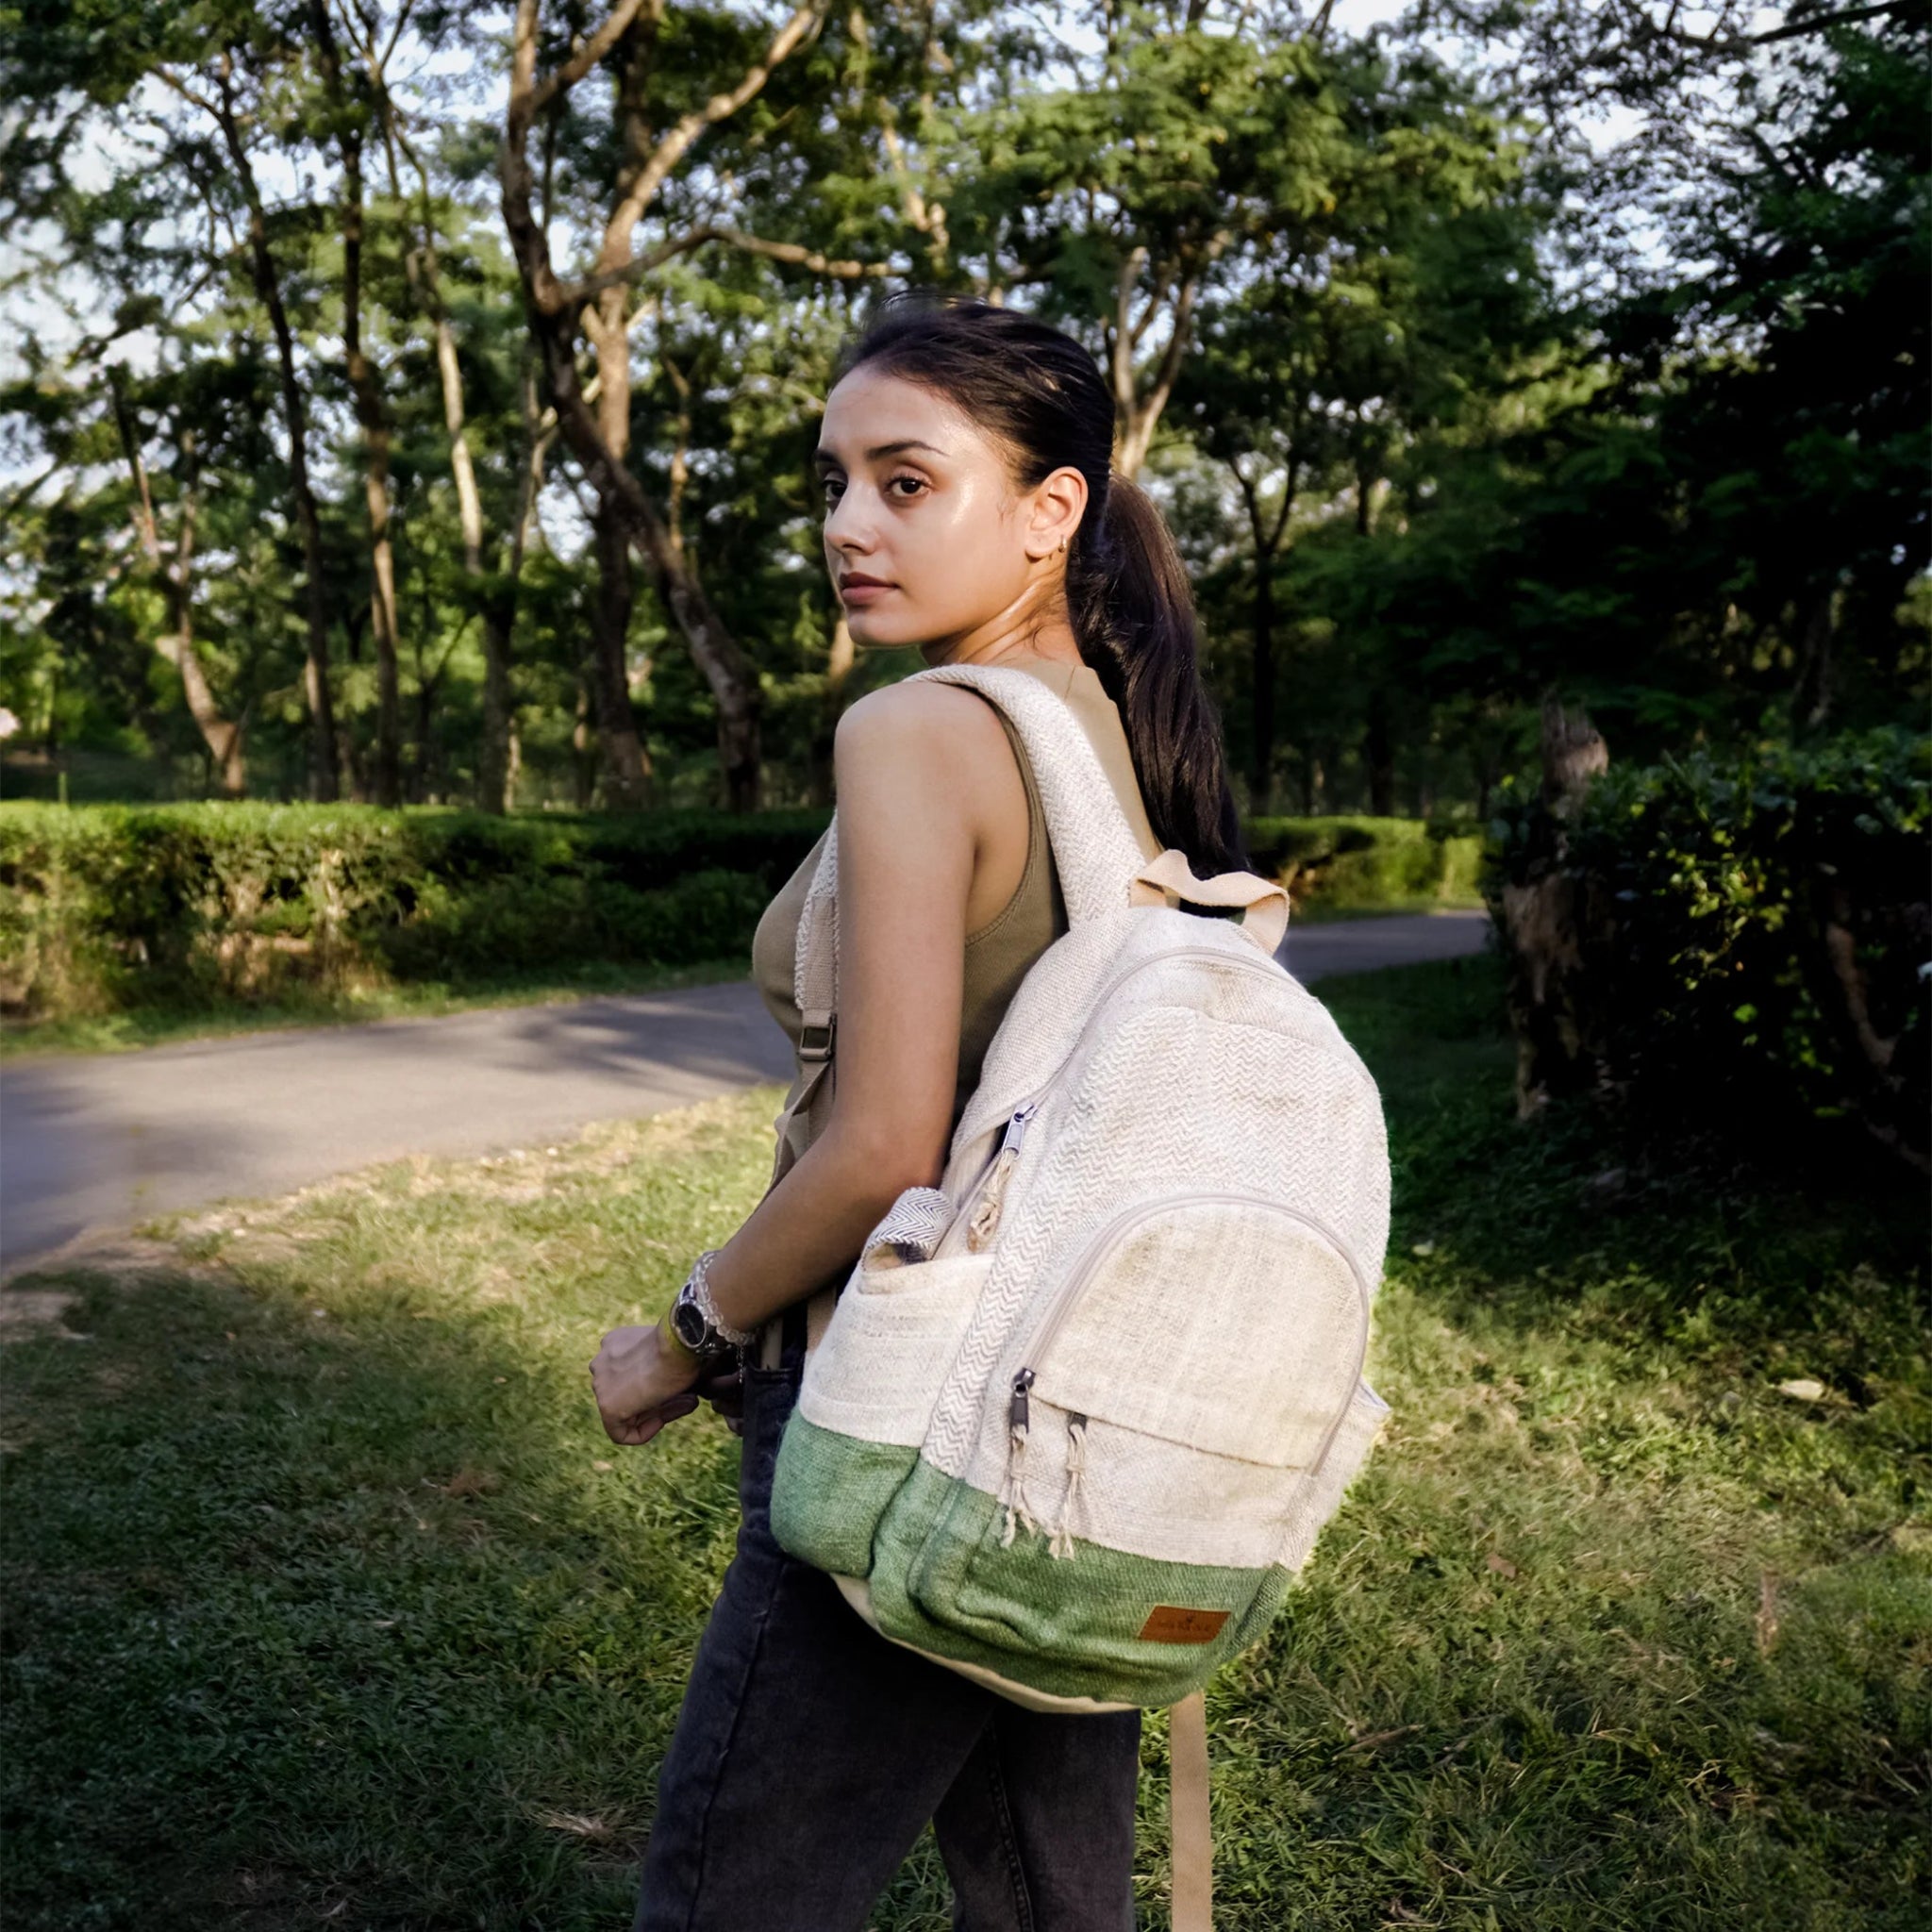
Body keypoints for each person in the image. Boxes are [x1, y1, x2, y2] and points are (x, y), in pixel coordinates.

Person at [590, 291, 1247, 1930]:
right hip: (1060, 1421)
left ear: (1050, 512)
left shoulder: (913, 734)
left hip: (885, 1412)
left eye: (905, 481)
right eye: (832, 483)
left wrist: (683, 1337)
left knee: (733, 1899)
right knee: (1042, 1896)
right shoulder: (1106, 738)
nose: (845, 527)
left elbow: (885, 1145)